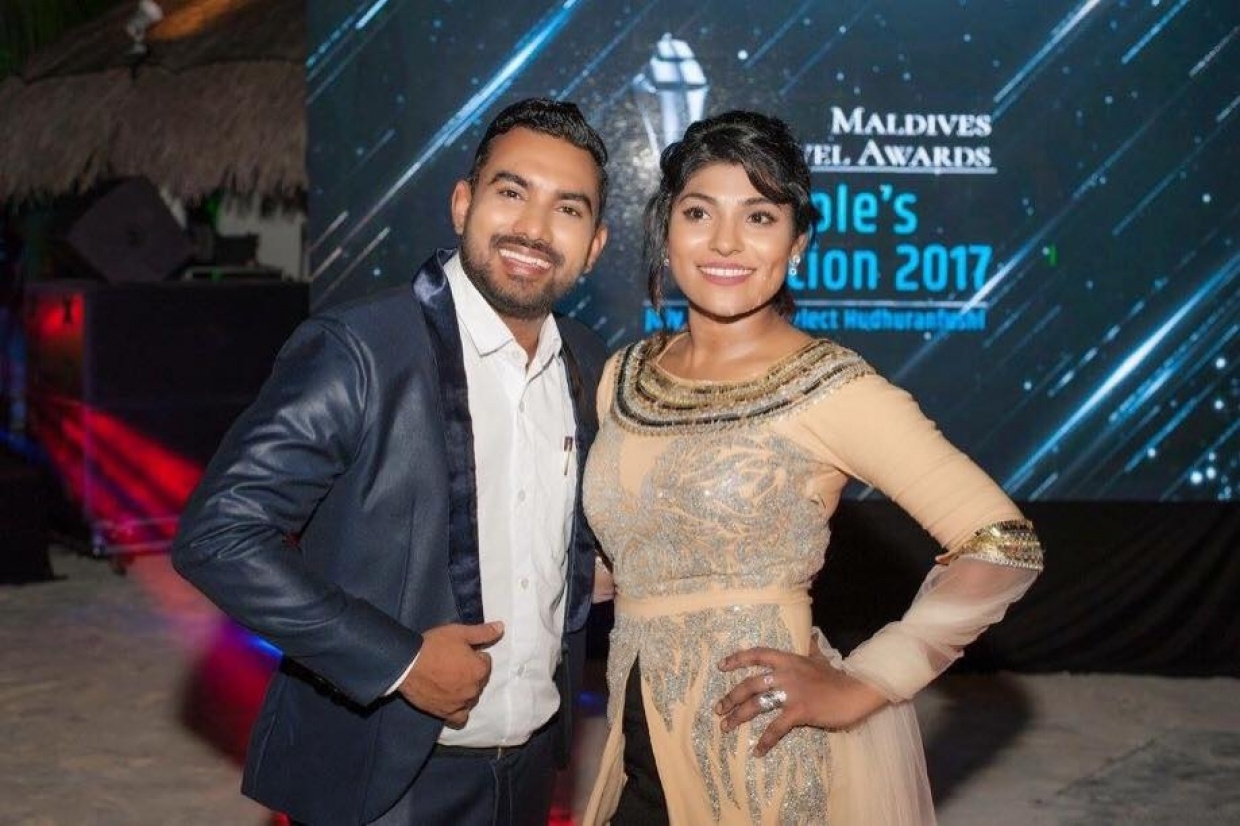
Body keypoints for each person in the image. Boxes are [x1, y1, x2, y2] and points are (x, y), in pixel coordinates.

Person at [580, 111, 1044, 825]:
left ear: (796, 245)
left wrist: (866, 683)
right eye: (699, 212)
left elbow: (1003, 545)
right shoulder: (625, 376)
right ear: (666, 233)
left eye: (759, 217)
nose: (725, 241)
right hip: (636, 740)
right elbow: (628, 556)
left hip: (762, 753)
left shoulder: (833, 386)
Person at [171, 97, 611, 825]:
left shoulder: (587, 364)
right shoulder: (360, 349)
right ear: (463, 203)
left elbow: (541, 525)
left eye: (568, 209)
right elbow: (219, 536)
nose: (534, 228)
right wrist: (400, 661)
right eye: (511, 193)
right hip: (382, 773)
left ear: (593, 245)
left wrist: (586, 568)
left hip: (531, 767)